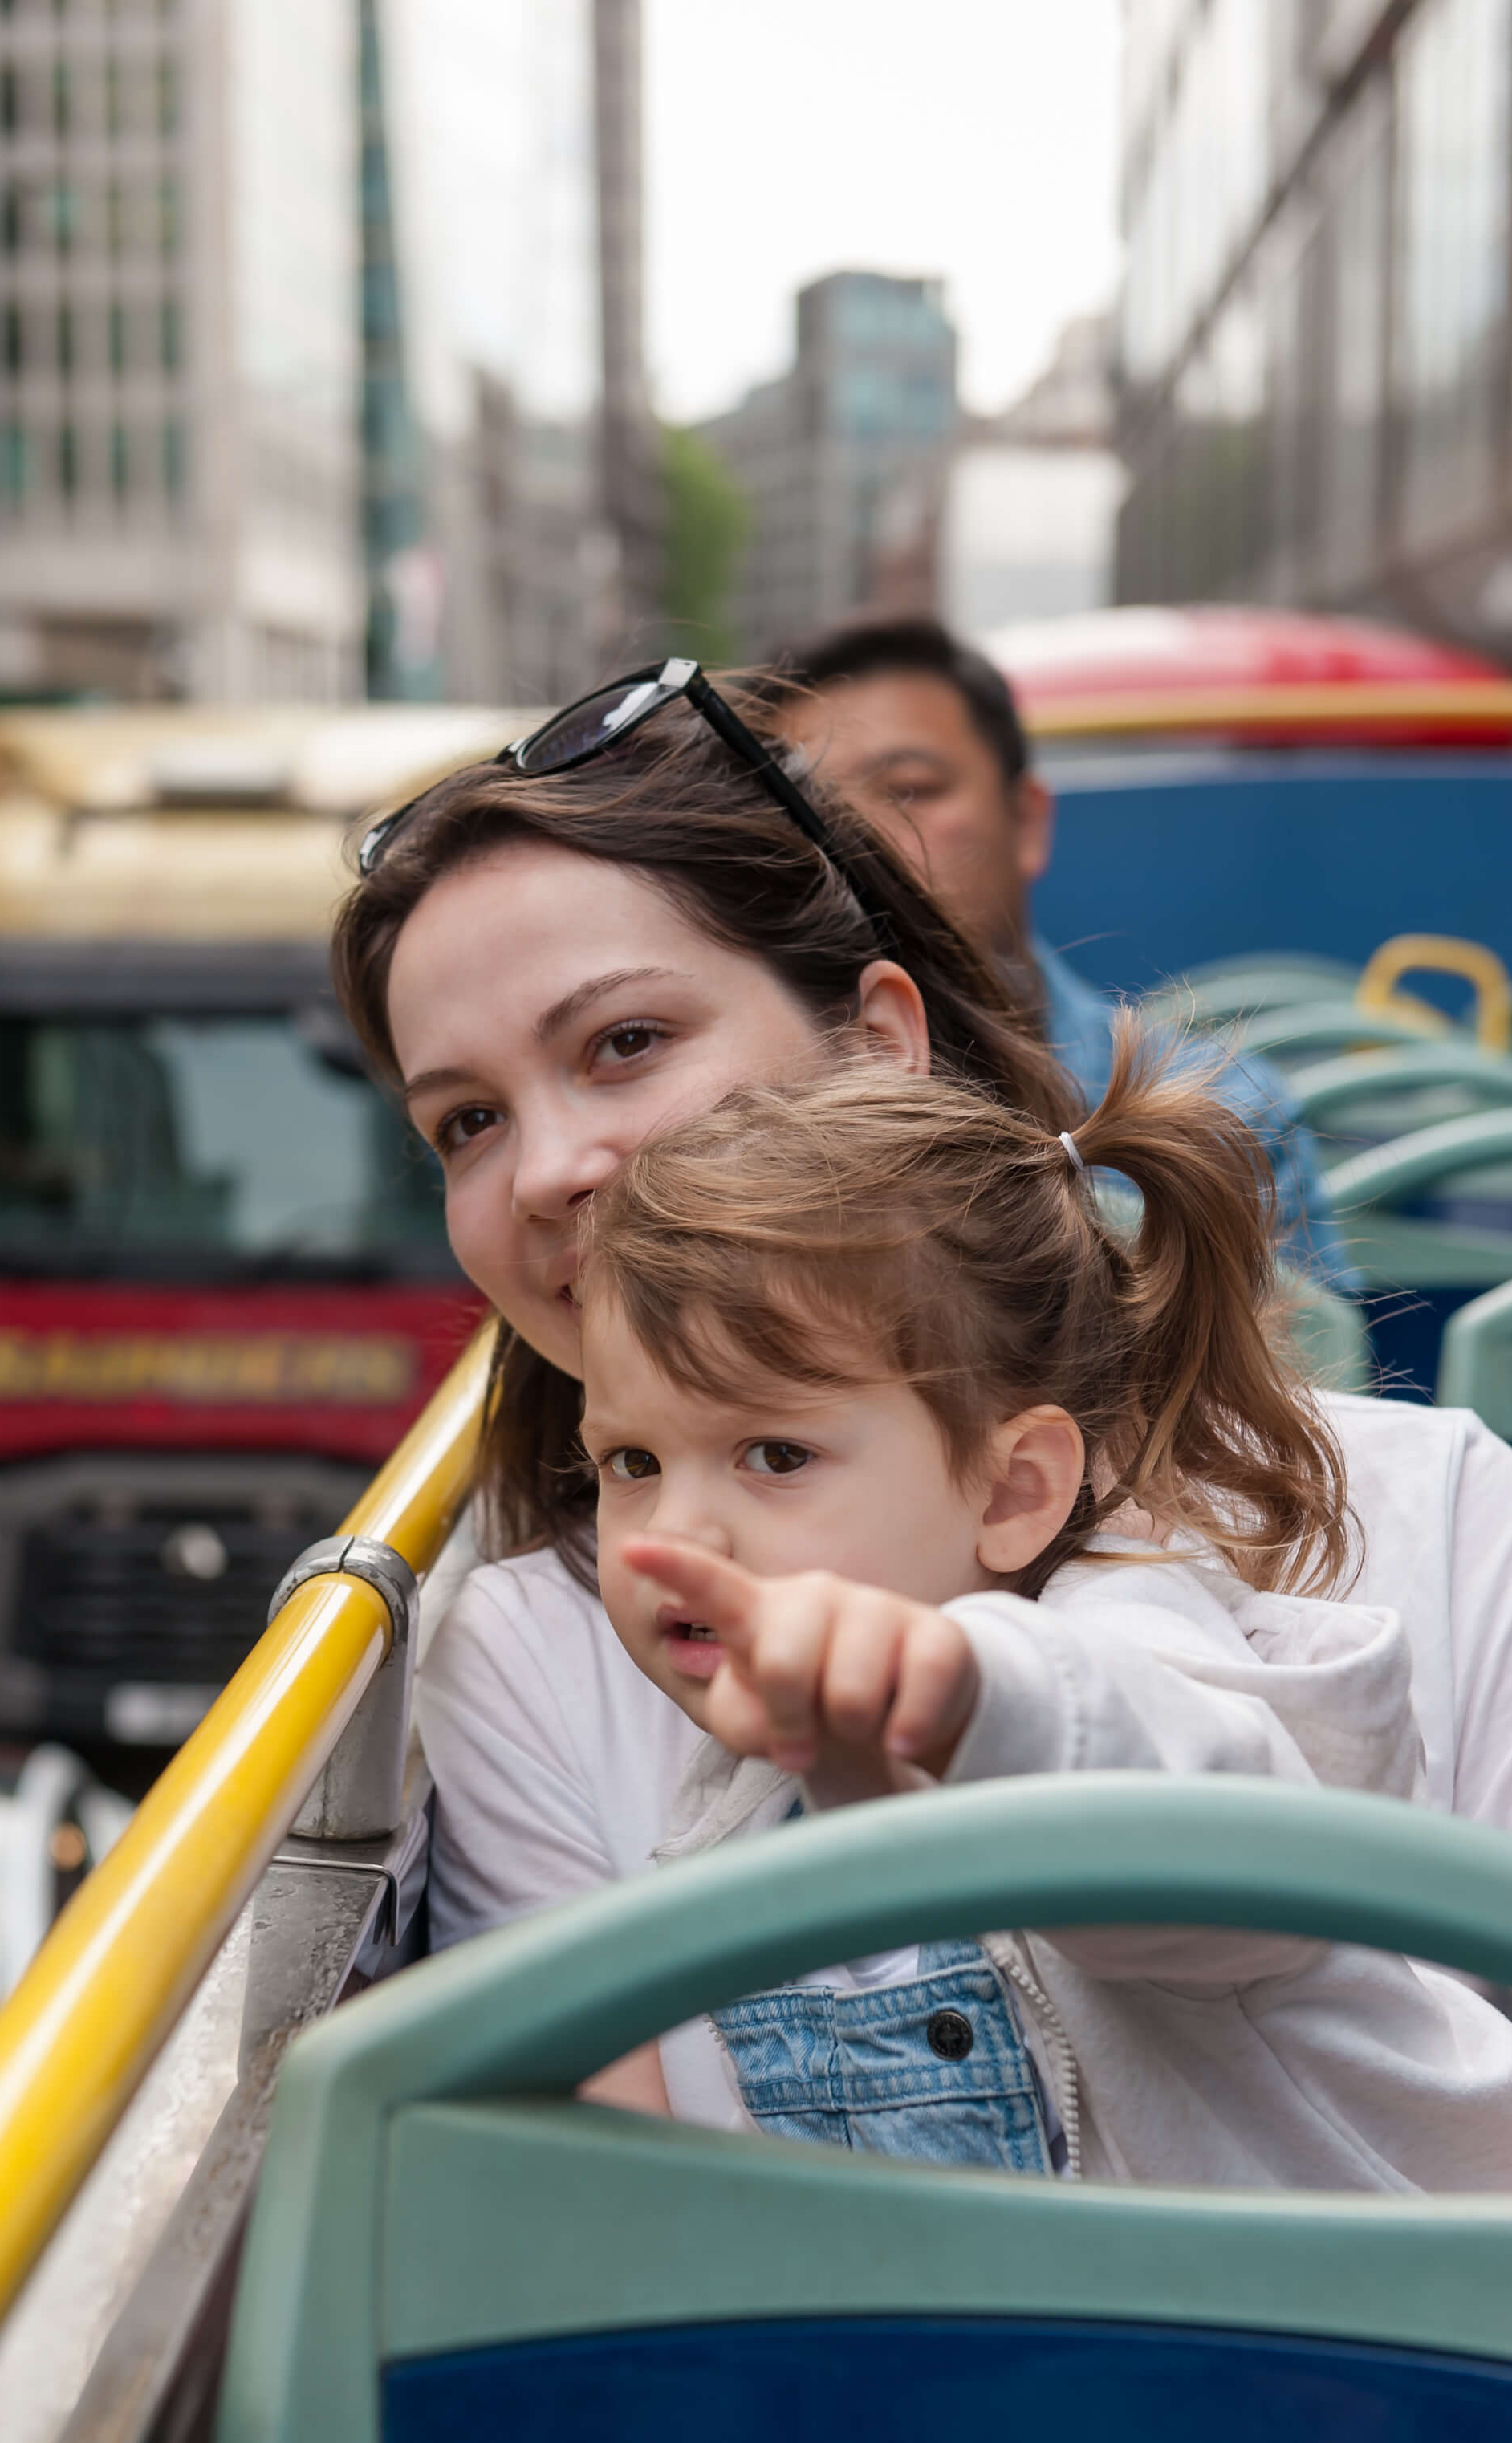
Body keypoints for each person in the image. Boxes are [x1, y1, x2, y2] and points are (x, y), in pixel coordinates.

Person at [326, 666, 1512, 2010]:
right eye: (465, 1123)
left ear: (883, 1042)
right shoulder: (533, 1665)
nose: (544, 1170)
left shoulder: (1436, 1524)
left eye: (623, 1042)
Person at [569, 1039, 1512, 2189]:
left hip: (1398, 2333)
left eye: (774, 1453)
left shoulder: (1141, 1651)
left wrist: (969, 1686)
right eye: (630, 1462)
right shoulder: (747, 1787)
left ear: (1015, 1492)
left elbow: (1168, 1828)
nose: (675, 1537)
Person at [772, 616, 1356, 1288]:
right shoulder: (735, 1120)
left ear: (1026, 821)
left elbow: (1302, 1379)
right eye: (807, 808)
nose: (853, 837)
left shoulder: (1218, 1112)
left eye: (907, 789)